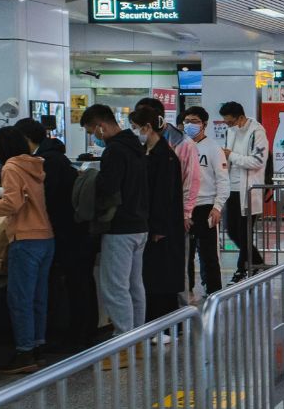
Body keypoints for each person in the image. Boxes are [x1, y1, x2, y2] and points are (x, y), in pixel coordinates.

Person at [0, 127, 54, 374]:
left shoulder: (11, 167)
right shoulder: (36, 165)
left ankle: (24, 352)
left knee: (20, 299)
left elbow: (12, 204)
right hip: (46, 237)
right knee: (38, 297)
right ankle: (37, 347)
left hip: (25, 239)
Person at [13, 117, 98, 347]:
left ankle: (77, 336)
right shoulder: (55, 157)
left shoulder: (45, 162)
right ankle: (85, 332)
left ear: (26, 139)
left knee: (75, 284)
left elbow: (45, 199)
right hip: (79, 232)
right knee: (82, 282)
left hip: (68, 233)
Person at [80, 104, 149, 344]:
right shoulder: (138, 147)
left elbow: (108, 188)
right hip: (140, 225)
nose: (94, 136)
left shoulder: (115, 151)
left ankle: (123, 340)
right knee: (134, 284)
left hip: (120, 227)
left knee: (115, 286)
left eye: (92, 131)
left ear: (101, 126)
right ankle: (138, 336)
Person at [130, 105, 185, 321]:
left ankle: (166, 324)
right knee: (153, 276)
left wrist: (160, 227)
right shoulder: (150, 153)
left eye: (136, 127)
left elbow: (164, 194)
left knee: (163, 277)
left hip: (164, 228)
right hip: (154, 224)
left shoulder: (165, 156)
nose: (135, 132)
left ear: (147, 127)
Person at [181, 107, 228, 296]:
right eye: (187, 121)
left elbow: (222, 181)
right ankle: (187, 289)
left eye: (194, 121)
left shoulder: (214, 149)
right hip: (185, 207)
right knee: (186, 254)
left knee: (208, 254)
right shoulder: (181, 147)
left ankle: (213, 292)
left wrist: (217, 207)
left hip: (205, 207)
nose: (190, 125)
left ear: (204, 125)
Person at [135, 97, 199, 234]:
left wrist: (186, 213)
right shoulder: (141, 142)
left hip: (172, 209)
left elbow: (191, 180)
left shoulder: (183, 143)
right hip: (144, 213)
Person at [220, 101, 269, 281]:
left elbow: (258, 161)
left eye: (231, 122)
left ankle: (243, 269)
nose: (228, 125)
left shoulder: (257, 132)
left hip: (248, 189)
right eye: (226, 122)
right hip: (231, 188)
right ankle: (256, 262)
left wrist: (231, 156)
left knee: (244, 232)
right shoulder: (231, 132)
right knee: (232, 230)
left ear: (240, 117)